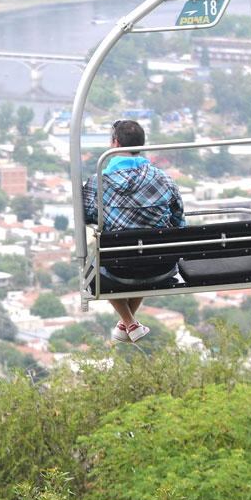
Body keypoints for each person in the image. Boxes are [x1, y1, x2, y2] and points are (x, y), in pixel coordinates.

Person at [83, 119, 185, 342]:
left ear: (115, 143)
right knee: (143, 251)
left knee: (104, 256)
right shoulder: (164, 179)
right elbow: (179, 221)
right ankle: (128, 324)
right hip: (161, 266)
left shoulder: (98, 181)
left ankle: (129, 323)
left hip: (118, 269)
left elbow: (88, 215)